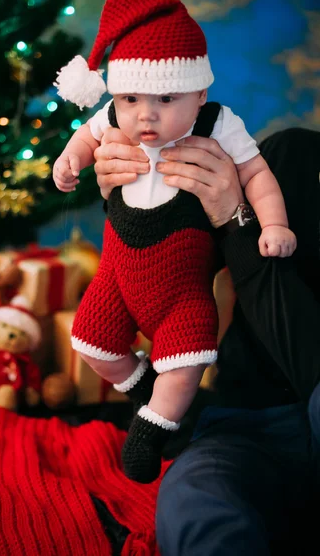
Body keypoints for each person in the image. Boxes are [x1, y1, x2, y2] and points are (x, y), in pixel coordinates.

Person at [53, 0, 296, 484]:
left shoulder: (216, 124)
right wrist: (69, 160)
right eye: (131, 98)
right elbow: (85, 136)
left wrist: (272, 224)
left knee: (185, 364)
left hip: (182, 288)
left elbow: (257, 174)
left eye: (166, 99)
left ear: (200, 94)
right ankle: (144, 388)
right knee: (92, 344)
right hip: (117, 275)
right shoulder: (113, 120)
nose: (146, 113)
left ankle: (152, 426)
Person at [94, 125, 320, 555]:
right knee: (195, 500)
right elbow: (175, 262)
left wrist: (237, 221)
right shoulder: (291, 155)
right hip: (250, 424)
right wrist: (130, 197)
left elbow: (311, 371)